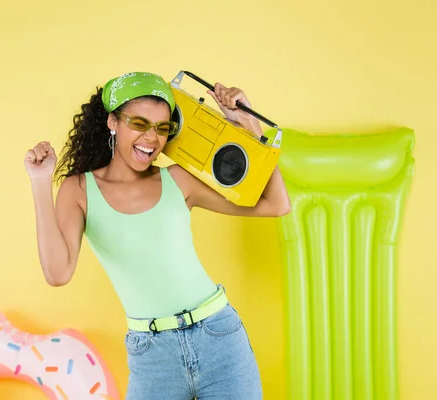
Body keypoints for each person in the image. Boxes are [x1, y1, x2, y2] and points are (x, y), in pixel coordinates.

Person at [23, 71, 291, 400]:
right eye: (139, 123)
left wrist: (248, 122)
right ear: (112, 122)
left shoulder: (179, 180)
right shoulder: (79, 190)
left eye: (162, 128)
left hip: (219, 337)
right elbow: (57, 273)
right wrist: (40, 181)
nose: (152, 138)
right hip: (152, 355)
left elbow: (276, 204)